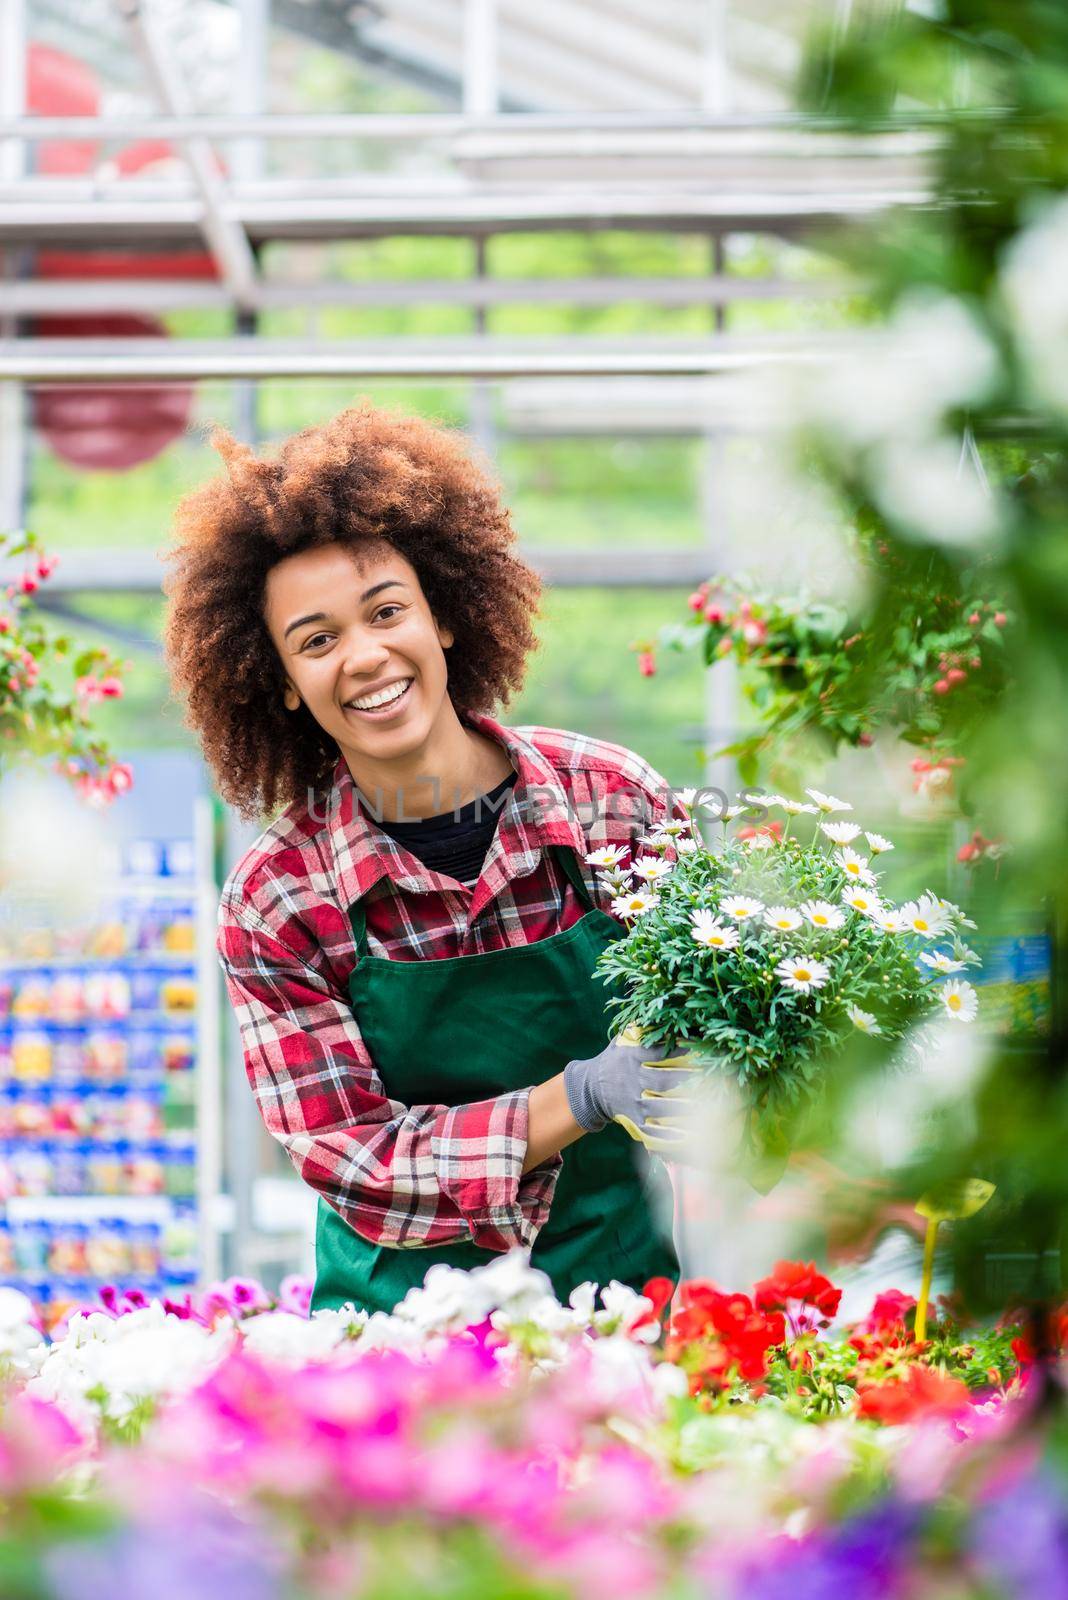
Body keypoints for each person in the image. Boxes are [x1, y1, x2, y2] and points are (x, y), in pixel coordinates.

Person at [163, 402, 695, 1316]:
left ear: (444, 618)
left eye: (386, 612)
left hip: (622, 1312)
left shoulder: (612, 802)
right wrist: (585, 1095)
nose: (365, 657)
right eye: (318, 640)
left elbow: (712, 1034)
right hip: (397, 1347)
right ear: (284, 685)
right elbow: (353, 1158)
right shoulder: (278, 899)